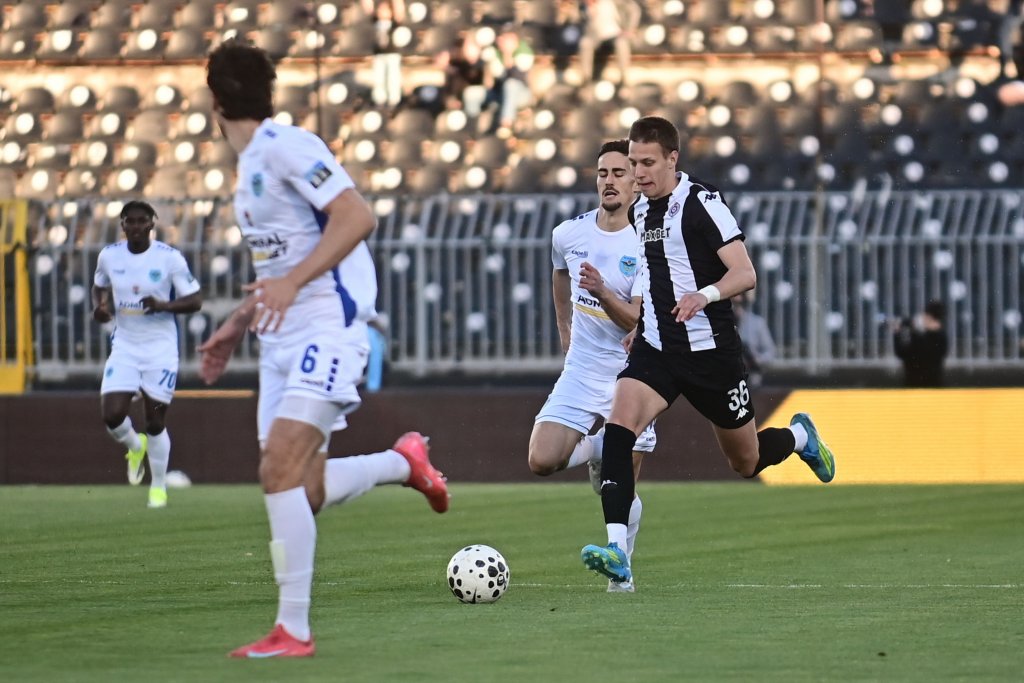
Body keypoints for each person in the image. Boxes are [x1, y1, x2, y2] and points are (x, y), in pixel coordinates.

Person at [199, 40, 449, 659]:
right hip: (278, 338)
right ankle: (403, 463)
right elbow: (279, 266)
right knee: (301, 490)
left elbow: (356, 216)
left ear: (215, 102)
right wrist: (237, 322)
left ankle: (294, 630)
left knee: (277, 470)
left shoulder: (288, 146)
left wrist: (291, 282)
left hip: (328, 329)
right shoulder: (251, 165)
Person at [580, 117, 837, 587]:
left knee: (746, 461)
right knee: (619, 429)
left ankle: (800, 438)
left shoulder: (702, 203)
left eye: (647, 163)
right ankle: (617, 551)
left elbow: (745, 273)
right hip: (658, 349)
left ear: (672, 158)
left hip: (711, 356)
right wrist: (644, 323)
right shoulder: (640, 209)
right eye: (633, 163)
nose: (638, 172)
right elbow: (654, 272)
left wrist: (705, 295)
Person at [529, 139, 655, 593]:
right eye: (603, 173)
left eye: (620, 173)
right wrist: (565, 331)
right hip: (582, 368)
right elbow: (559, 272)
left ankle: (622, 577)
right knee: (541, 459)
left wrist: (602, 291)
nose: (610, 181)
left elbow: (636, 319)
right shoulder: (569, 233)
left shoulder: (646, 242)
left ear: (636, 182)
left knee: (619, 490)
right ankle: (602, 447)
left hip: (633, 375)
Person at [91, 201, 202, 509]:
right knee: (112, 415)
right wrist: (99, 307)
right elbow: (98, 285)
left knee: (154, 421)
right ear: (123, 225)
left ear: (152, 224)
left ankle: (158, 486)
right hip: (125, 346)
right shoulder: (109, 256)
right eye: (131, 221)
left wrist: (164, 305)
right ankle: (134, 445)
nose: (137, 227)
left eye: (142, 221)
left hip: (160, 350)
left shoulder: (169, 258)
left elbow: (195, 300)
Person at [577, 0, 640, 88]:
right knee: (585, 43)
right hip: (594, 36)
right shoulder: (584, 4)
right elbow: (577, 20)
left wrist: (630, 28)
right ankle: (586, 80)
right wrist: (588, 11)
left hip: (615, 34)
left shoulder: (615, 2)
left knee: (621, 43)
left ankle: (624, 78)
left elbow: (634, 9)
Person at [892, 300, 949, 387]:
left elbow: (901, 353)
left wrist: (897, 334)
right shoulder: (942, 338)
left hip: (915, 384)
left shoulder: (920, 339)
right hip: (935, 384)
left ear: (929, 317)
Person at [732, 294, 776, 389]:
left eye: (738, 304)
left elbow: (770, 352)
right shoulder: (722, 324)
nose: (735, 309)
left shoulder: (757, 323)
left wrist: (757, 359)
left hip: (751, 375)